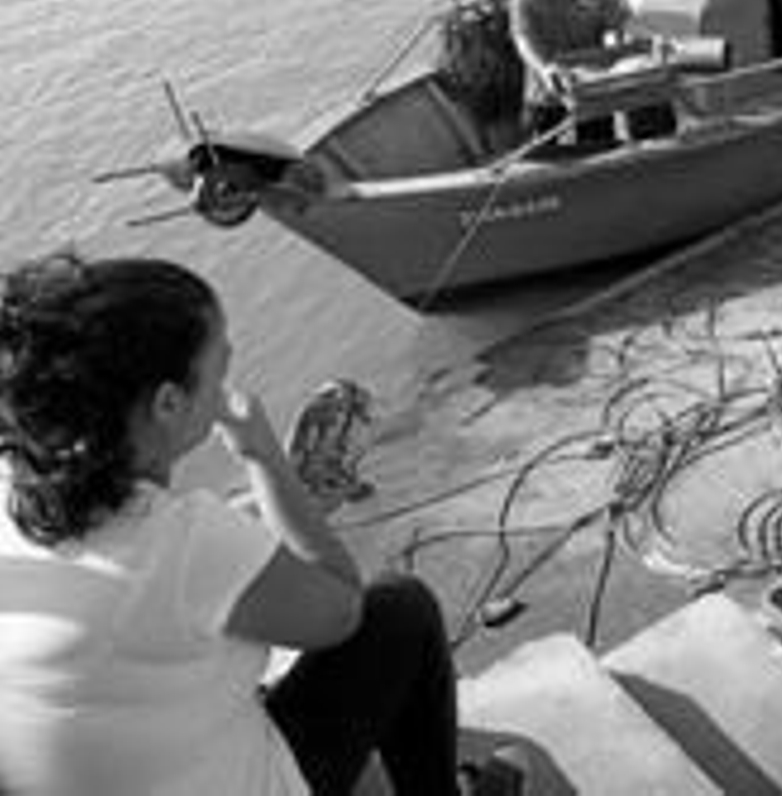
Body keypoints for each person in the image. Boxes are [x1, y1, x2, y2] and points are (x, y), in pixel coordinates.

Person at [0, 253, 506, 796]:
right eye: (219, 368)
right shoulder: (186, 539)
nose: (228, 381)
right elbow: (340, 611)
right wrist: (264, 457)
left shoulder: (15, 491)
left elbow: (146, 580)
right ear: (169, 402)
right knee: (400, 611)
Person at [509, 0, 675, 145]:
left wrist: (654, 37)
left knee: (599, 148)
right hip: (547, 96)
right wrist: (544, 68)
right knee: (538, 158)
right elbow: (523, 41)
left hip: (590, 94)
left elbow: (629, 23)